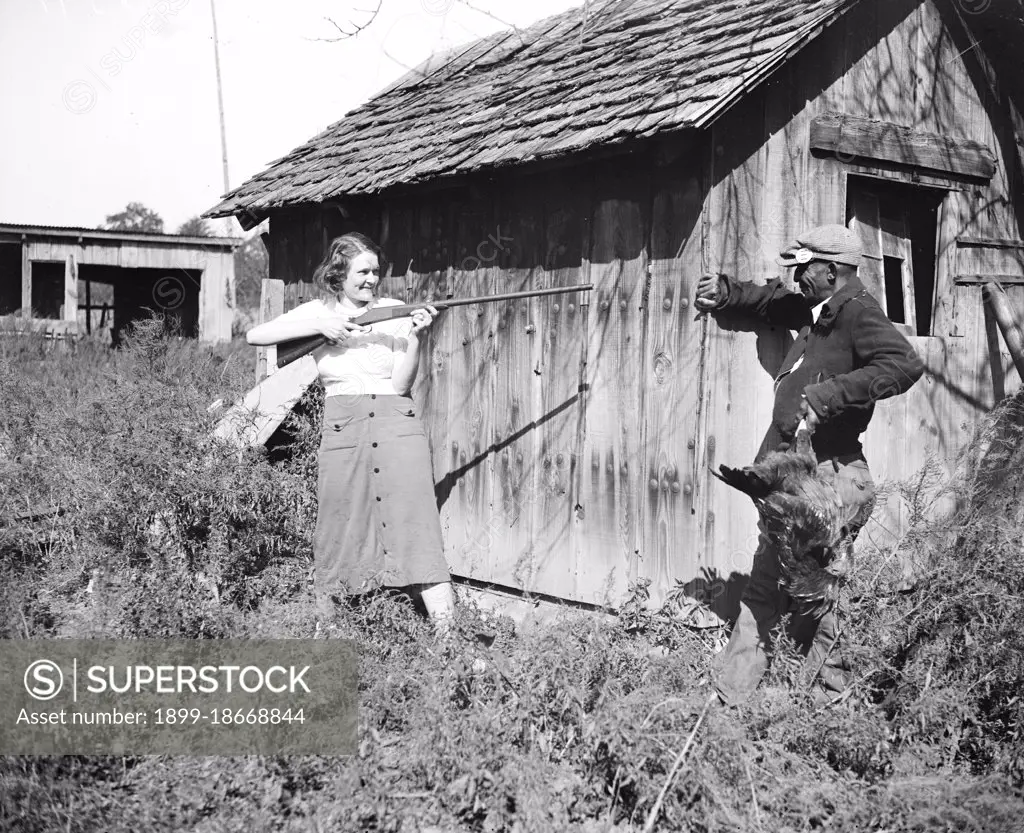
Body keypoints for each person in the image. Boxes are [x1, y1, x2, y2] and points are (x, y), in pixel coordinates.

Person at [694, 224, 925, 705]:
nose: (797, 276)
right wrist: (726, 291)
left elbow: (904, 365)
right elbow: (769, 301)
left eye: (804, 268)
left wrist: (828, 396)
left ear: (832, 270)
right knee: (784, 584)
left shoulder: (858, 313)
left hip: (830, 477)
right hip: (797, 478)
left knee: (813, 595)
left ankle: (810, 700)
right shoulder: (817, 307)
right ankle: (760, 696)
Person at [246, 232, 456, 633]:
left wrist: (414, 338)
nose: (372, 279)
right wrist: (323, 325)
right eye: (363, 271)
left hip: (396, 421)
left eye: (376, 271)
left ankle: (449, 638)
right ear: (338, 274)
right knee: (340, 523)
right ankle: (332, 634)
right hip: (344, 424)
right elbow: (256, 336)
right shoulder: (318, 313)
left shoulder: (396, 310)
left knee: (416, 520)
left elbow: (400, 384)